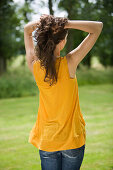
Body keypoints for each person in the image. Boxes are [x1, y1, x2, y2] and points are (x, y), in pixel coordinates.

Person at [24, 14, 103, 170]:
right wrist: (64, 23)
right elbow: (97, 27)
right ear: (62, 41)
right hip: (72, 139)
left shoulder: (35, 66)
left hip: (47, 140)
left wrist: (47, 23)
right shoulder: (70, 62)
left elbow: (27, 29)